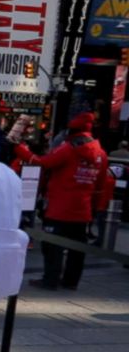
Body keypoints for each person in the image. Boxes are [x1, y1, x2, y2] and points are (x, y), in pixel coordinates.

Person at [14, 111, 109, 290]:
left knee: (52, 246)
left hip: (59, 208)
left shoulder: (68, 149)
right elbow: (100, 186)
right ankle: (71, 281)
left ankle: (50, 280)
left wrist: (20, 150)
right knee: (77, 249)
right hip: (83, 210)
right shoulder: (101, 154)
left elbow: (44, 163)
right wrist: (95, 210)